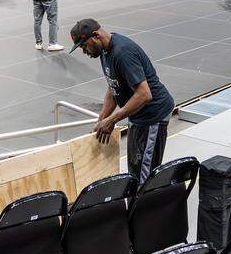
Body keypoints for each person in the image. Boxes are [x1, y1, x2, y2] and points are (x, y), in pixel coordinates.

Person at [69, 19, 175, 184]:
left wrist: (112, 120)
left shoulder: (122, 52)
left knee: (143, 174)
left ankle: (143, 207)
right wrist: (102, 119)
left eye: (84, 46)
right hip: (138, 115)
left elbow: (144, 95)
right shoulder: (105, 51)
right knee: (135, 166)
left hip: (153, 115)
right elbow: (113, 88)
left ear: (96, 36)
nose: (85, 52)